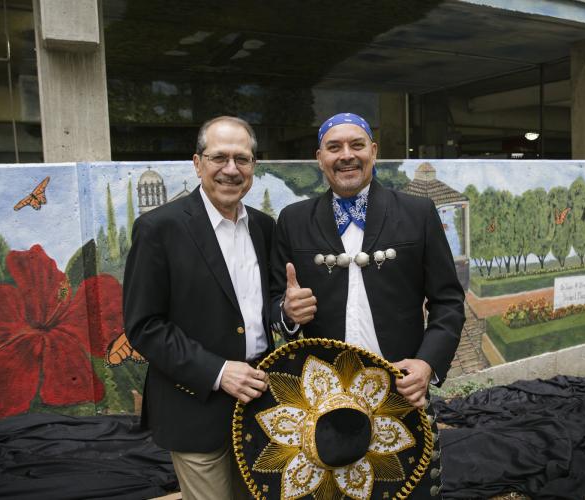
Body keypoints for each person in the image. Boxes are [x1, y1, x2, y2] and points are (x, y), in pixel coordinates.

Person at [123, 116, 274, 499]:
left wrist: (288, 313)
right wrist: (219, 372)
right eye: (219, 157)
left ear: (253, 166)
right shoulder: (159, 229)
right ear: (197, 163)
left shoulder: (264, 227)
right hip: (193, 403)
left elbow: (266, 309)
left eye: (242, 159)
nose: (231, 169)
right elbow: (144, 326)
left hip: (259, 403)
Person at [271, 112, 465, 408]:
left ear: (373, 151)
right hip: (322, 396)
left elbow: (448, 302)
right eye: (334, 147)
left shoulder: (418, 213)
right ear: (320, 158)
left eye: (357, 145)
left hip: (402, 389)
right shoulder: (293, 220)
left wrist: (426, 363)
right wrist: (287, 311)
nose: (346, 155)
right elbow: (274, 299)